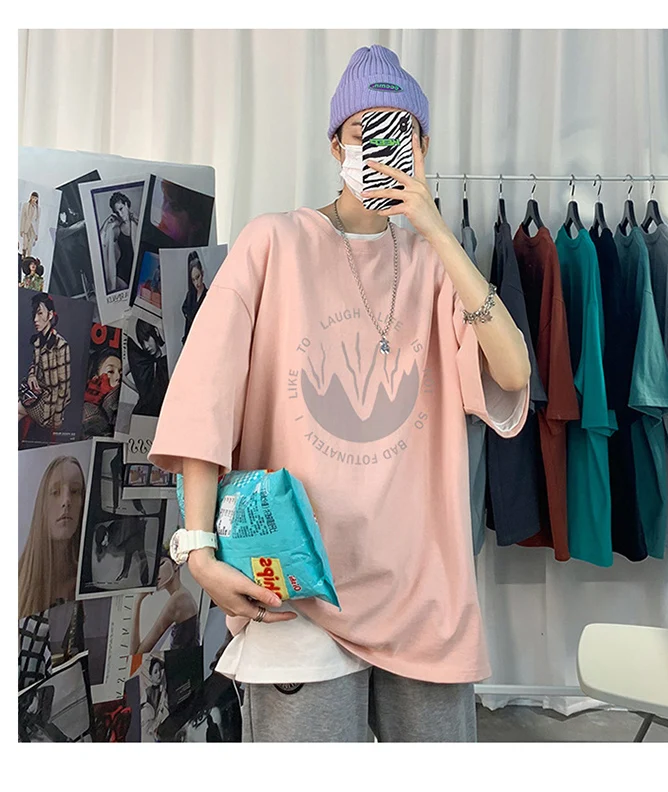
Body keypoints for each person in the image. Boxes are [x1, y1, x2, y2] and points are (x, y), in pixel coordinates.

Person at [149, 44, 531, 743]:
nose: (384, 148)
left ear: (422, 148)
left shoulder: (436, 267)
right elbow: (205, 396)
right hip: (295, 586)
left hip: (423, 594)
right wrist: (198, 551)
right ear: (336, 144)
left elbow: (513, 374)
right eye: (366, 130)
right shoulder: (273, 243)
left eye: (401, 132)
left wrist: (437, 230)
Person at [18, 456, 85, 621]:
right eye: (55, 492)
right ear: (43, 504)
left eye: (75, 491)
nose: (66, 501)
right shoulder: (17, 581)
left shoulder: (89, 582)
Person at [18, 293, 72, 438]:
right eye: (34, 314)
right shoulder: (38, 341)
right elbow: (35, 364)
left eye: (40, 313)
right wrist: (31, 375)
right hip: (37, 394)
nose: (35, 319)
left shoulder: (61, 345)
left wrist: (57, 418)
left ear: (50, 315)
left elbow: (64, 387)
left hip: (49, 406)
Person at [129, 551, 199, 654]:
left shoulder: (178, 599)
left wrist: (138, 601)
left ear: (175, 565)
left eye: (161, 564)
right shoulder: (182, 595)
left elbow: (137, 653)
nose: (156, 573)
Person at [126, 320, 169, 417]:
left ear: (155, 332)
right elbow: (123, 374)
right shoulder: (144, 361)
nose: (146, 346)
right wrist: (140, 390)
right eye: (142, 342)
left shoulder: (167, 359)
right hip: (144, 411)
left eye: (147, 339)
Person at [93, 516, 151, 586]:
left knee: (141, 554)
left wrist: (125, 570)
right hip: (131, 532)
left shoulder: (116, 539)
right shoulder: (112, 534)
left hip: (137, 530)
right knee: (137, 552)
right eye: (102, 544)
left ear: (106, 535)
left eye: (104, 541)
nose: (104, 544)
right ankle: (140, 580)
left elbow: (129, 549)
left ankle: (145, 582)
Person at [99, 190, 138, 293]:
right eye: (117, 212)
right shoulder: (117, 228)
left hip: (138, 270)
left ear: (126, 205)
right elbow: (101, 240)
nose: (120, 214)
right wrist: (106, 222)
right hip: (122, 273)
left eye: (121, 209)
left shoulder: (138, 223)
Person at [82, 348, 122, 438]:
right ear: (95, 377)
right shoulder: (88, 410)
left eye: (121, 372)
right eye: (110, 371)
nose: (118, 377)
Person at [181, 251, 208, 344]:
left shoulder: (208, 296)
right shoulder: (190, 295)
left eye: (198, 277)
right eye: (193, 280)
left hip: (201, 340)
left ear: (202, 273)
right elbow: (184, 308)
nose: (196, 283)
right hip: (189, 338)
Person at [20, 191, 40, 258]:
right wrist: (21, 229)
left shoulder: (38, 209)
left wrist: (37, 234)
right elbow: (23, 217)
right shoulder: (26, 205)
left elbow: (37, 222)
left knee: (30, 245)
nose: (34, 199)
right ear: (31, 197)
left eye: (36, 198)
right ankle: (23, 256)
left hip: (33, 229)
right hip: (26, 227)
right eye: (33, 198)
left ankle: (28, 258)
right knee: (25, 243)